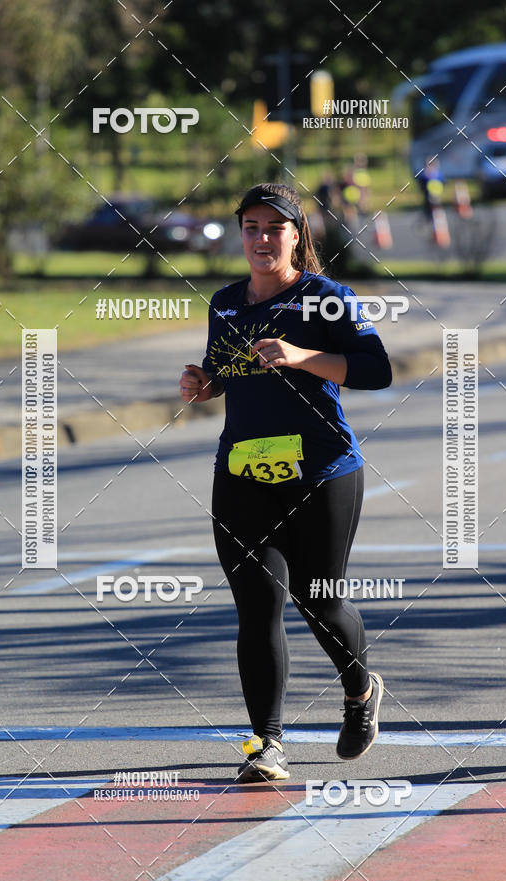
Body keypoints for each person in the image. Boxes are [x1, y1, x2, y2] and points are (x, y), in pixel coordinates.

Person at [179, 183, 392, 783]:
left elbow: (377, 370)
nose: (261, 239)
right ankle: (267, 744)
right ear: (240, 234)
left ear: (297, 235)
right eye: (251, 227)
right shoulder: (225, 302)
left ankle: (359, 690)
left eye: (275, 228)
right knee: (258, 605)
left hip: (322, 471)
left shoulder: (327, 299)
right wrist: (204, 384)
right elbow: (226, 373)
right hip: (243, 471)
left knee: (318, 597)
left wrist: (300, 356)